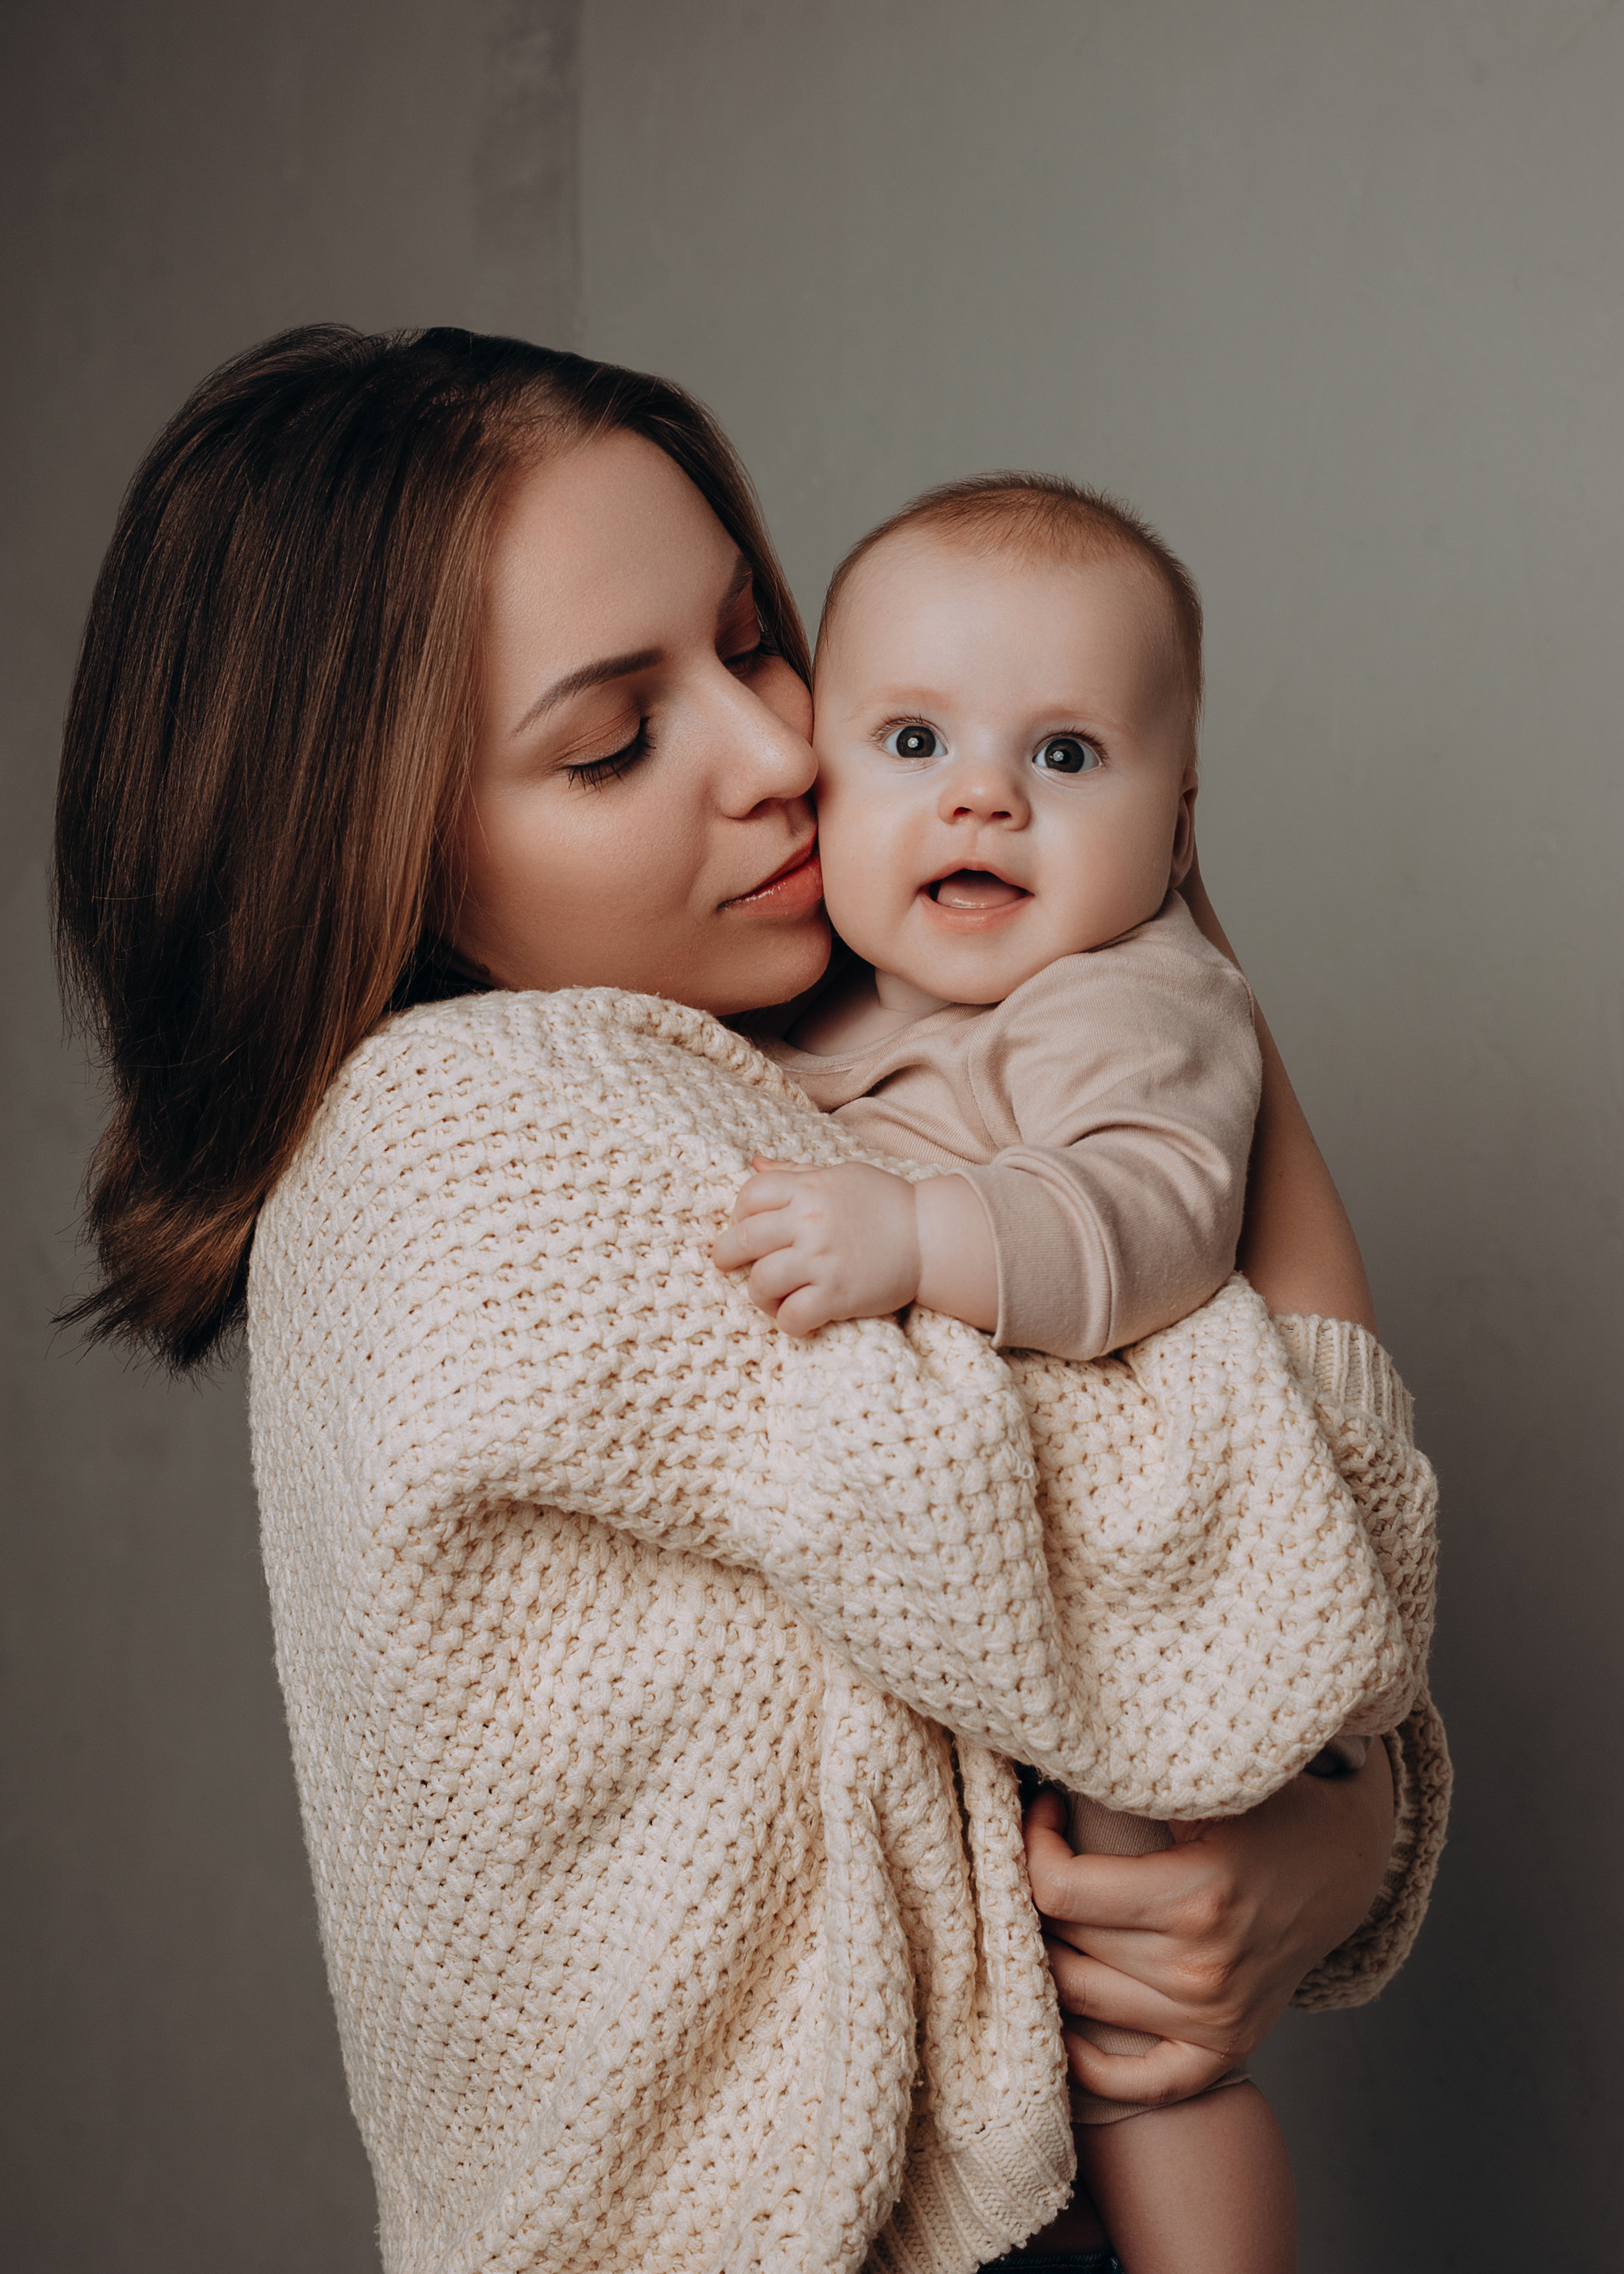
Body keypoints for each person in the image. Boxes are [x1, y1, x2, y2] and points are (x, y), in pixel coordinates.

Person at [53, 325, 1449, 2274]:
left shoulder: (794, 1071)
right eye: (614, 741)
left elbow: (1224, 1634)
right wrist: (1192, 998)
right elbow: (1178, 1568)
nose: (784, 753)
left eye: (753, 642)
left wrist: (1324, 1829)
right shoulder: (464, 1138)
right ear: (376, 849)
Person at [714, 474, 1399, 2273]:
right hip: (941, 1668)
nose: (983, 798)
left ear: (1179, 826)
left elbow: (1149, 1219)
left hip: (1132, 1591)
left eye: (1068, 755)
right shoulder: (801, 1008)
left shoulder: (1132, 1000)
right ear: (821, 779)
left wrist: (915, 1236)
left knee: (1144, 2064)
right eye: (914, 741)